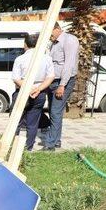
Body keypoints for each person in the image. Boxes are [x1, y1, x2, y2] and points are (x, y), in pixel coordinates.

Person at [11, 33, 55, 151]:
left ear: (25, 44)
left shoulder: (20, 59)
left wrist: (28, 89)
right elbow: (50, 77)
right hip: (39, 93)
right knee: (33, 123)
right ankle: (28, 148)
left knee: (16, 122)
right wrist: (38, 89)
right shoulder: (47, 58)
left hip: (22, 92)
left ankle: (11, 147)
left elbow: (16, 78)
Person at [44, 22, 79, 151]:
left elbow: (69, 64)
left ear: (57, 29)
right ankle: (56, 140)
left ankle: (50, 144)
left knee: (55, 111)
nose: (48, 36)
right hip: (53, 80)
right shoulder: (53, 43)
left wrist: (62, 85)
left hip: (63, 82)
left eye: (50, 32)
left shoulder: (69, 40)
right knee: (54, 112)